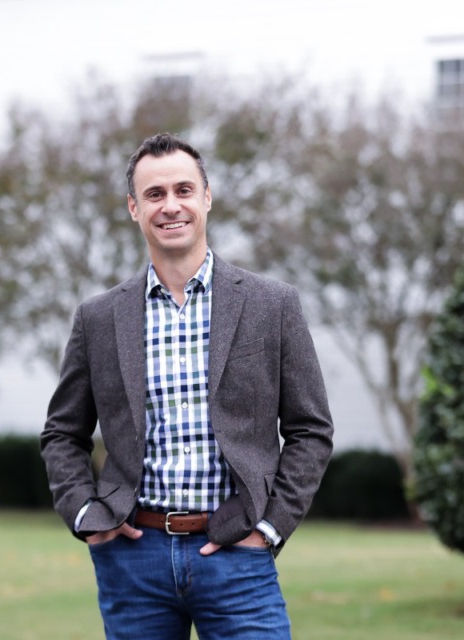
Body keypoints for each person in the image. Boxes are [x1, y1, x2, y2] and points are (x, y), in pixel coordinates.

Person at [40, 132, 334, 639]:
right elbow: (62, 433)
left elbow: (310, 430)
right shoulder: (99, 318)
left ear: (206, 197)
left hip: (238, 553)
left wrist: (270, 527)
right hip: (133, 559)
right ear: (134, 208)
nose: (170, 205)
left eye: (183, 190)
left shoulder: (272, 304)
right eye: (154, 194)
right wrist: (87, 513)